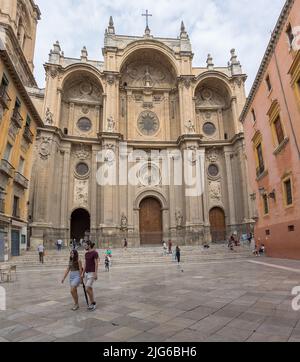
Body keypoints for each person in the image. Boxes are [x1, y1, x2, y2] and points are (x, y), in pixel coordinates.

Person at [81, 241, 99, 311]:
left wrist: (95, 273)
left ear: (89, 245)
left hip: (92, 273)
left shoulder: (95, 253)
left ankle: (93, 303)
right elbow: (85, 263)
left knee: (87, 288)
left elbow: (96, 263)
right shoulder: (86, 254)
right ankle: (92, 303)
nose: (84, 247)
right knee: (89, 288)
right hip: (86, 273)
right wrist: (82, 273)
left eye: (85, 245)